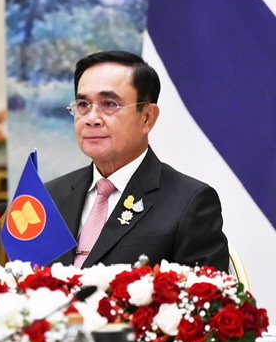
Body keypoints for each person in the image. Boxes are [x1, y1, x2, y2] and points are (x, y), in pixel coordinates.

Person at [46, 50, 229, 271]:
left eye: (109, 104)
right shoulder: (50, 198)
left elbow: (205, 292)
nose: (91, 119)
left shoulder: (189, 202)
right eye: (83, 104)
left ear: (147, 118)